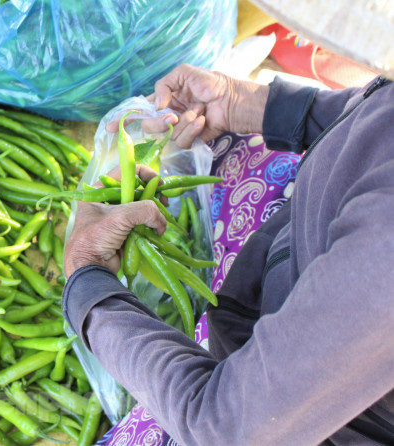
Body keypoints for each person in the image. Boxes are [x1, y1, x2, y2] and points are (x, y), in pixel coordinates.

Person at [62, 0, 394, 443]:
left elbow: (225, 428)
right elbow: (376, 121)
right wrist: (247, 103)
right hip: (295, 265)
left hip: (309, 420)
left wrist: (88, 283)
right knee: (234, 150)